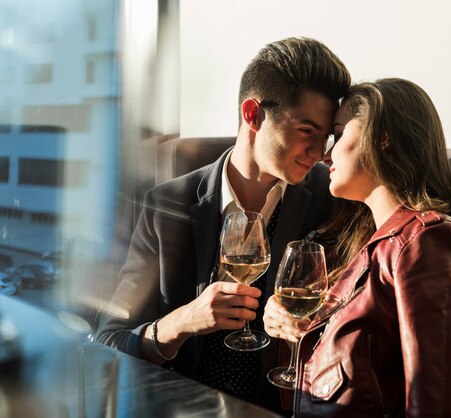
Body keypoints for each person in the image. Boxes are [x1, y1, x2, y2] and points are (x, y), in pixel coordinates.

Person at [96, 37, 351, 415]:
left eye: (326, 137)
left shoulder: (333, 202)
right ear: (253, 114)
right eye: (306, 131)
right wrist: (181, 322)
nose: (320, 154)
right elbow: (107, 341)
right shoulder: (166, 206)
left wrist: (311, 319)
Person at [264, 78, 451, 417]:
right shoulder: (358, 240)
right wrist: (290, 322)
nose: (324, 154)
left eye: (337, 135)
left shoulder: (429, 242)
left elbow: (434, 402)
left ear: (381, 139)